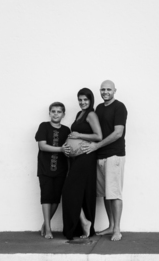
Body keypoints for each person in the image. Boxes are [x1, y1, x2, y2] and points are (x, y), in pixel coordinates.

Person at [86, 80, 128, 241]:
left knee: (114, 193)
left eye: (108, 89)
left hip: (114, 155)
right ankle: (110, 226)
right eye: (103, 89)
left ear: (114, 90)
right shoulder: (99, 108)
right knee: (105, 194)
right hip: (100, 156)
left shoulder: (119, 107)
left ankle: (117, 229)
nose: (105, 92)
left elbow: (118, 133)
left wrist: (97, 146)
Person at [60, 88, 102, 243]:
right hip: (77, 158)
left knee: (69, 190)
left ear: (91, 100)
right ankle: (84, 222)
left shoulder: (91, 114)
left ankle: (85, 222)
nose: (83, 102)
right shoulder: (80, 114)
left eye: (85, 99)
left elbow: (99, 136)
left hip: (86, 157)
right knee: (76, 192)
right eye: (80, 99)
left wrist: (78, 135)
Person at [34, 102, 70, 239]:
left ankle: (45, 224)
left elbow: (69, 147)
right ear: (49, 113)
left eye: (59, 112)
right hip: (45, 168)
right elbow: (42, 146)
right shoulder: (44, 126)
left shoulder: (66, 130)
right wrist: (60, 149)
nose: (56, 114)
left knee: (56, 199)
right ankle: (48, 229)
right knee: (46, 197)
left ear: (63, 114)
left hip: (61, 169)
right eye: (53, 111)